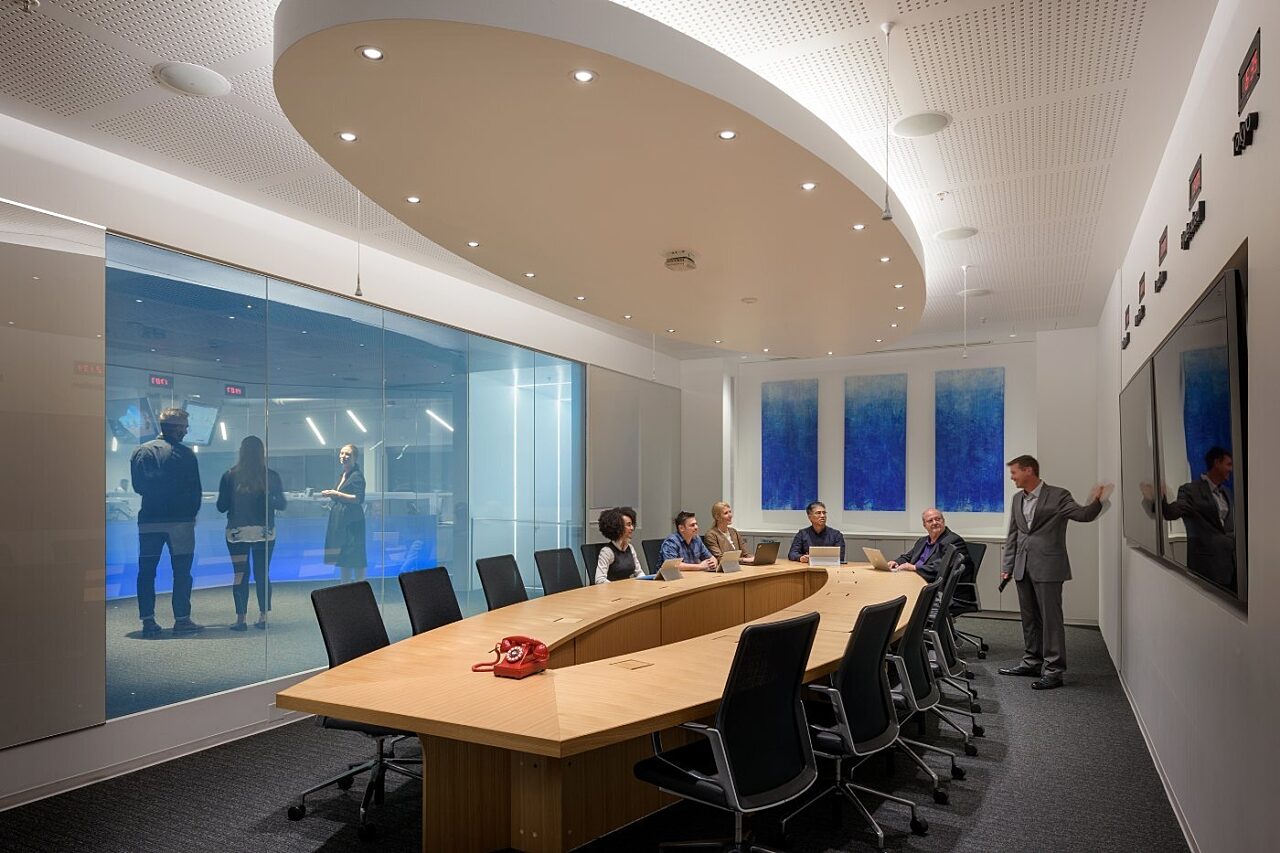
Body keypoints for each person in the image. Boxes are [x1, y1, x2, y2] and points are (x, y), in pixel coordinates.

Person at [999, 454, 1111, 690]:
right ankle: (1031, 661)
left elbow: (1082, 515)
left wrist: (1097, 501)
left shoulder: (1058, 495)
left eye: (1014, 472)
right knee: (1030, 619)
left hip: (1049, 567)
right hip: (1022, 567)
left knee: (1051, 620)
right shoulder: (1017, 498)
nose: (1012, 477)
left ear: (1029, 471)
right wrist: (1007, 566)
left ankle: (1054, 670)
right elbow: (1013, 535)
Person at [130, 407, 204, 636]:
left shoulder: (141, 451)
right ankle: (182, 620)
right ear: (179, 429)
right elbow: (195, 492)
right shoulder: (187, 455)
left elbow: (139, 487)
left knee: (146, 571)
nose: (186, 431)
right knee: (182, 572)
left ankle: (148, 621)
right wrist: (190, 516)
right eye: (185, 427)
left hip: (149, 521)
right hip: (180, 523)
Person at [216, 436, 286, 631]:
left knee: (240, 575)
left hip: (237, 534)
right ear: (262, 452)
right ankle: (263, 617)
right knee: (263, 574)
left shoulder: (229, 476)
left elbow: (221, 506)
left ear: (241, 452)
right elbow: (282, 504)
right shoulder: (271, 476)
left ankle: (241, 619)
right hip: (265, 533)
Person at [1153, 447, 1236, 589]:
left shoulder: (1227, 492)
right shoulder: (1191, 490)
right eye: (1228, 464)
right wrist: (1159, 498)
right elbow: (1172, 512)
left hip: (1231, 567)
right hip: (1207, 568)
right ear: (1217, 462)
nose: (1231, 469)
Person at [889, 507, 972, 583]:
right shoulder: (922, 541)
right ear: (924, 525)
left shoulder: (954, 541)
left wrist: (914, 568)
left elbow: (941, 568)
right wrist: (895, 562)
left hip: (934, 585)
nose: (934, 523)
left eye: (938, 519)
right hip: (914, 578)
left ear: (943, 521)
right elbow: (908, 557)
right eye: (930, 521)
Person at [323, 444, 367, 583]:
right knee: (343, 557)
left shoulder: (357, 476)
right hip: (342, 521)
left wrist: (337, 494)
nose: (343, 456)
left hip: (352, 521)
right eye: (342, 453)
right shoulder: (343, 475)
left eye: (347, 454)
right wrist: (333, 495)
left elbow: (358, 498)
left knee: (355, 555)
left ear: (355, 457)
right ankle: (345, 589)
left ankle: (361, 589)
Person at [595, 507, 644, 583]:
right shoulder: (607, 551)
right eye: (628, 525)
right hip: (612, 592)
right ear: (618, 528)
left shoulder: (630, 548)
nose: (632, 528)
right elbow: (600, 580)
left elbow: (639, 572)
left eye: (632, 524)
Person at [703, 501, 754, 567]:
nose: (730, 515)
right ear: (717, 517)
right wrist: (744, 560)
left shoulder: (734, 532)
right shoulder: (711, 535)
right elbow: (720, 558)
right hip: (726, 570)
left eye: (730, 512)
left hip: (740, 567)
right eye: (726, 513)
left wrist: (755, 559)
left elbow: (746, 553)